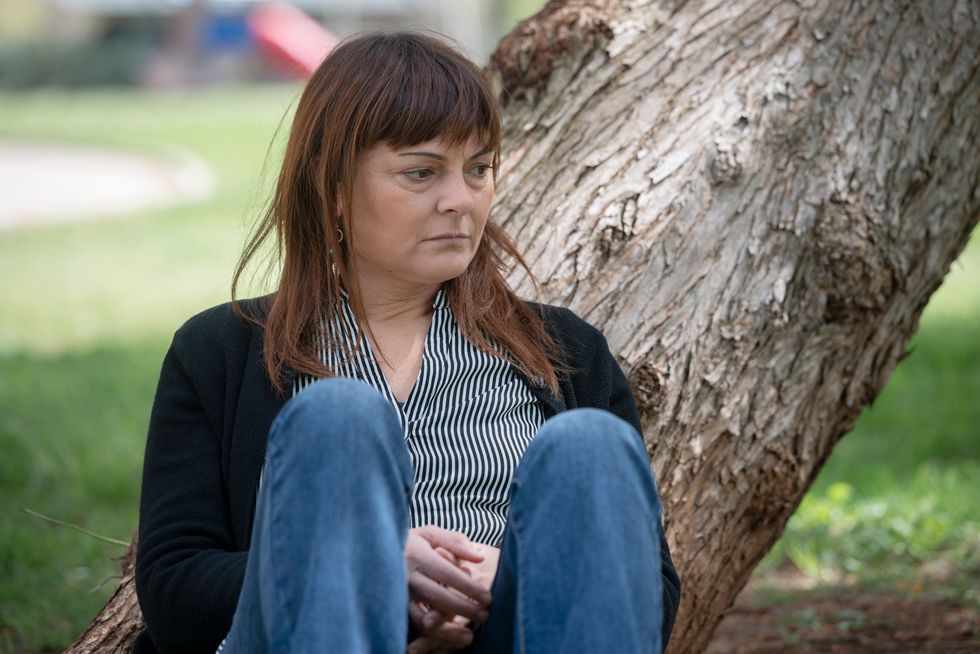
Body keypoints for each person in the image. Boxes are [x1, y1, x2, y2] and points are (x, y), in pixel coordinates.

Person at [134, 31, 680, 654]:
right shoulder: (219, 351)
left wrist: (522, 577)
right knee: (337, 418)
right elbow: (173, 591)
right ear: (333, 186)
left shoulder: (567, 351)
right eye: (421, 173)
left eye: (479, 169)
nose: (461, 200)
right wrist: (362, 568)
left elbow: (651, 595)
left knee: (592, 446)